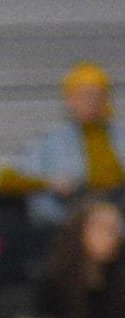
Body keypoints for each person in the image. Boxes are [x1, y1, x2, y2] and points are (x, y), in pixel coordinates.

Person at [12, 62, 125, 229]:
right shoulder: (51, 141)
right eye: (84, 96)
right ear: (70, 100)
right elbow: (11, 181)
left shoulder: (119, 135)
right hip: (65, 223)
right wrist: (50, 183)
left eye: (98, 95)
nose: (91, 102)